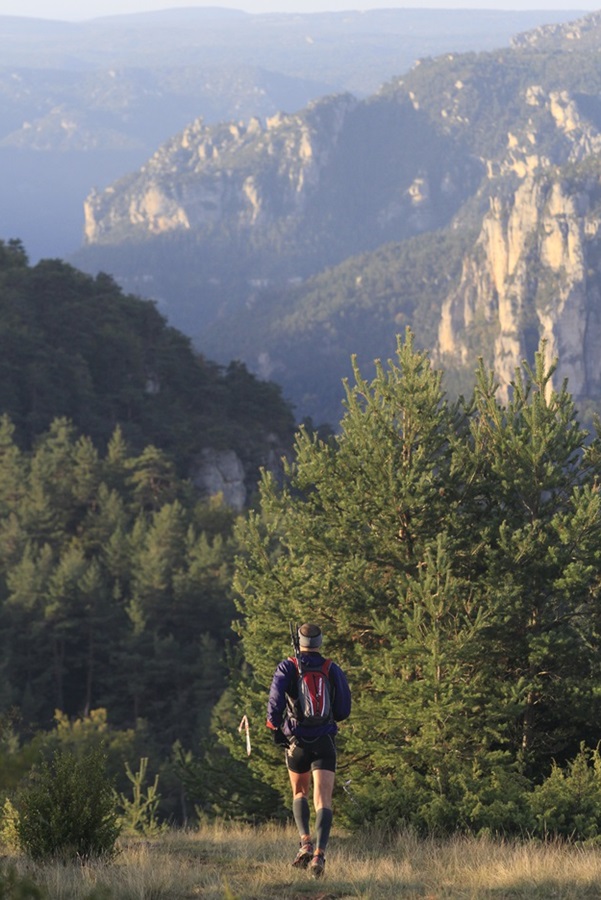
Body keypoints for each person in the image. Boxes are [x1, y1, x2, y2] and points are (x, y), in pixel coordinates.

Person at [266, 623, 351, 879]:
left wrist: (276, 731)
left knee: (299, 791)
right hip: (324, 741)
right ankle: (319, 855)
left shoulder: (287, 666)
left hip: (297, 742)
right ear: (320, 642)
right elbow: (343, 711)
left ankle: (305, 843)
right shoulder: (331, 668)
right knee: (323, 799)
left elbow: (275, 703)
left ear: (299, 641)